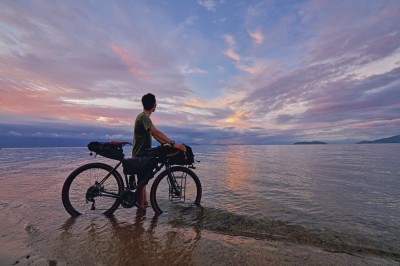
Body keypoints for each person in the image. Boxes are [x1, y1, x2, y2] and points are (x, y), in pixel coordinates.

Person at [132, 93, 186, 207]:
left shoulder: (144, 118)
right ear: (154, 105)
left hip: (142, 154)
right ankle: (140, 210)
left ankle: (143, 208)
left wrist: (167, 144)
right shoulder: (144, 117)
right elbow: (156, 132)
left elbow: (155, 136)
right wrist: (173, 143)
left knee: (142, 182)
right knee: (141, 183)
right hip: (140, 155)